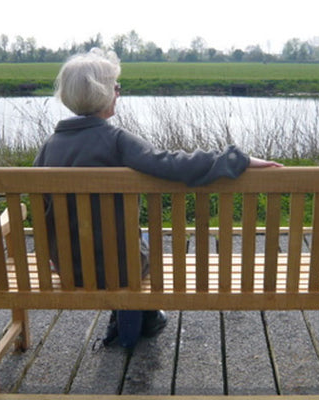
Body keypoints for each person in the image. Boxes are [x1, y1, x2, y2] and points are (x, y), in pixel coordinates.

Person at [34, 48, 282, 349]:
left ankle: (132, 319)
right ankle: (146, 316)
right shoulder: (117, 140)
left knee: (119, 244)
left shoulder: (49, 147)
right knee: (138, 249)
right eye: (116, 87)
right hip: (123, 269)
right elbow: (173, 163)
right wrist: (236, 159)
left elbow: (42, 206)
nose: (118, 93)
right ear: (104, 95)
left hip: (70, 268)